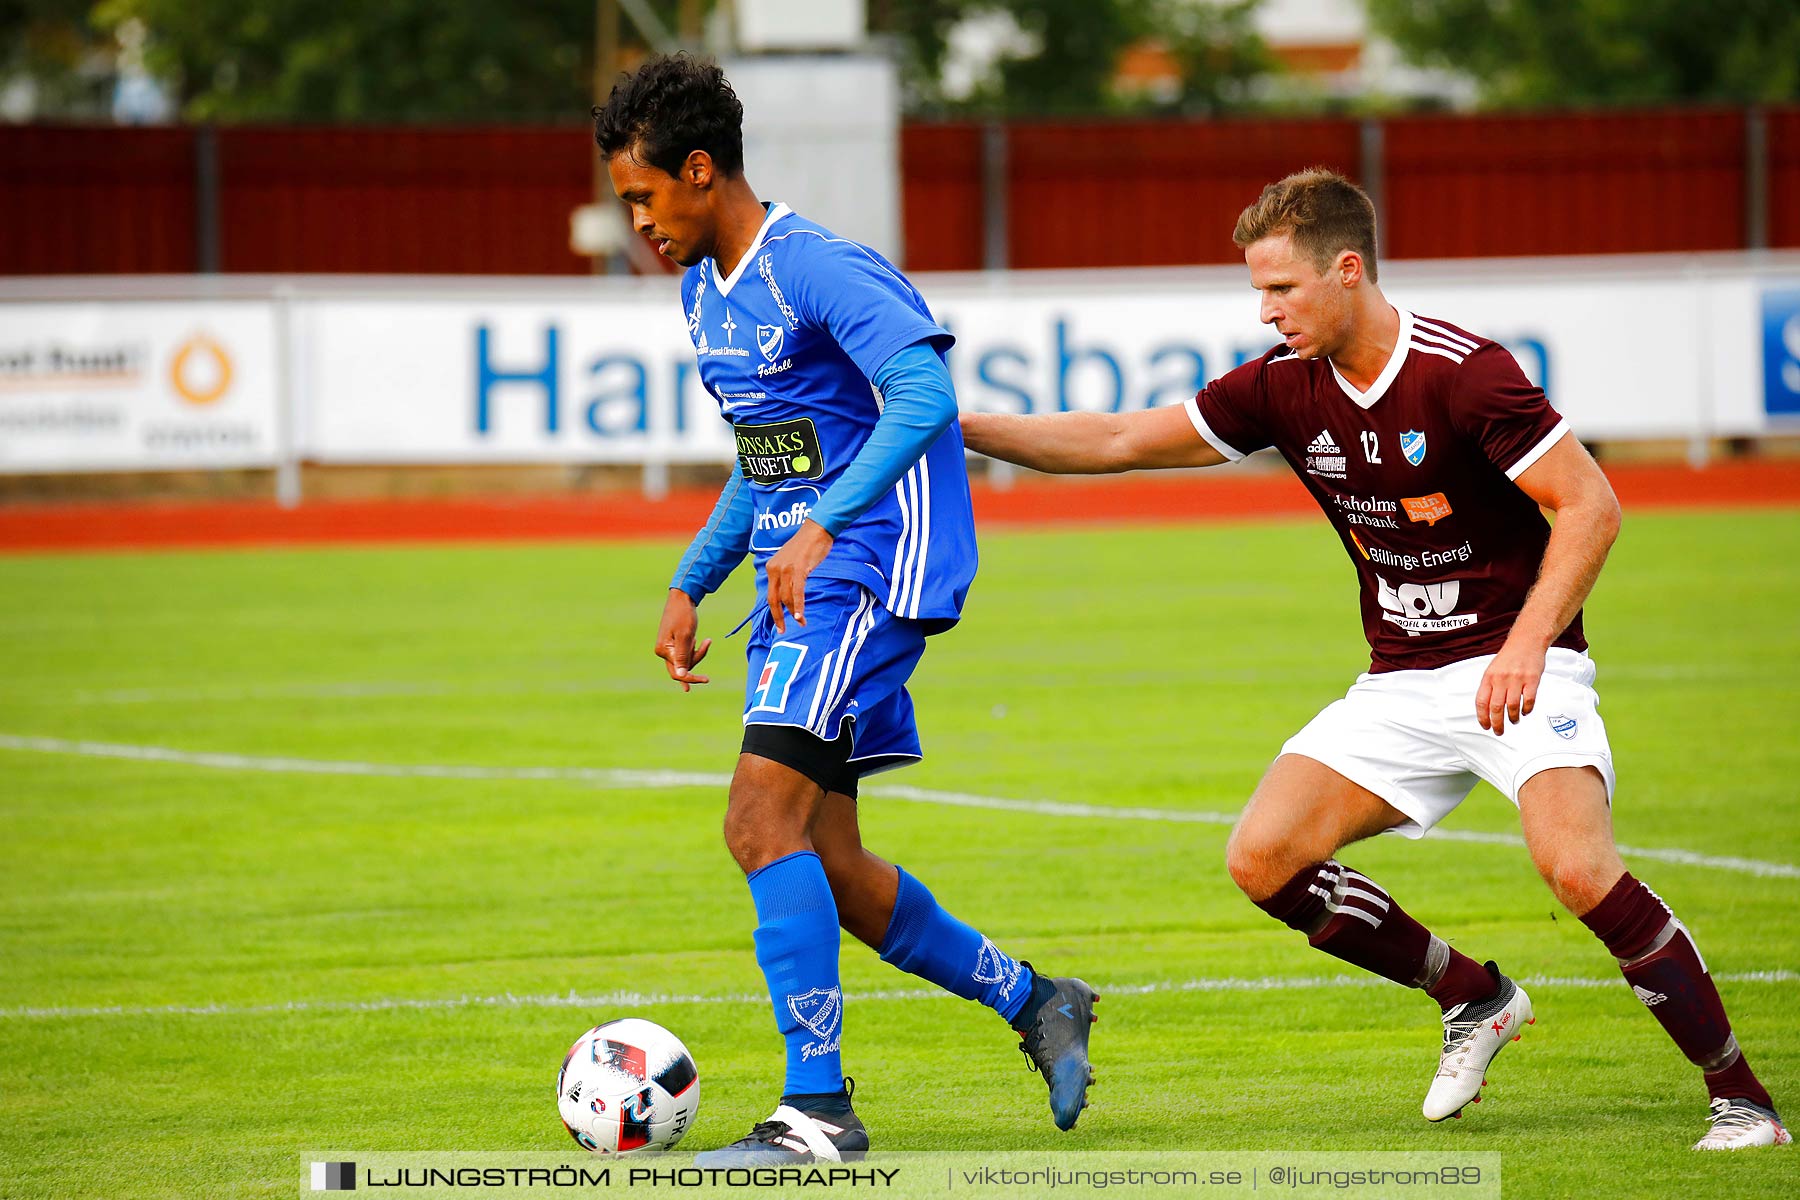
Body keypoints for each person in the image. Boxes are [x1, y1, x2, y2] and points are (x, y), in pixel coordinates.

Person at [960, 168, 1787, 1153]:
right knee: (1264, 858)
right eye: (1257, 293)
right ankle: (1474, 997)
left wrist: (1526, 645)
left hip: (1522, 667)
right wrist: (947, 426)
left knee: (1576, 869)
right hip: (1399, 680)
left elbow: (1592, 503)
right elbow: (1115, 437)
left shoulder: (1464, 372)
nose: (1264, 312)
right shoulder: (1278, 386)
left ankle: (1743, 1102)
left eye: (1281, 289)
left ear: (1347, 271)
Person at [591, 54, 1098, 1164]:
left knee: (754, 824)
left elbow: (925, 394)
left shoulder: (817, 266)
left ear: (698, 168)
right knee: (838, 874)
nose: (637, 221)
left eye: (642, 196)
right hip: (797, 582)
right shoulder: (700, 295)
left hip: (872, 567)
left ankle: (816, 1111)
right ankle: (1039, 1002)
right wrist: (692, 578)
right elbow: (763, 456)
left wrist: (826, 525)